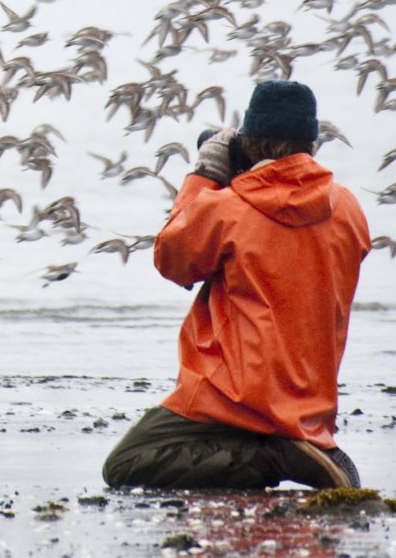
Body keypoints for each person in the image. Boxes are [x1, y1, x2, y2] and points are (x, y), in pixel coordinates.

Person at [102, 79, 370, 490]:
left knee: (126, 464)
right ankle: (304, 447)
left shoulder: (227, 209)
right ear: (312, 144)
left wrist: (206, 176)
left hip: (229, 397)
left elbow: (172, 260)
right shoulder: (348, 208)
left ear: (251, 144)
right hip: (309, 405)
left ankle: (276, 455)